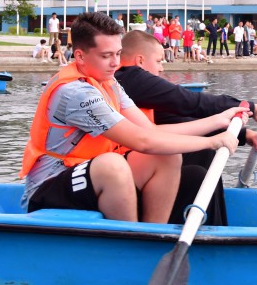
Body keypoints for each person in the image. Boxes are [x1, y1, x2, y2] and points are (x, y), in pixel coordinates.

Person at [18, 12, 243, 224]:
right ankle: (132, 241)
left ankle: (153, 234)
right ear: (80, 56)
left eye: (117, 54)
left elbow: (150, 132)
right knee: (113, 165)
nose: (116, 63)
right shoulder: (76, 93)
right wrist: (212, 141)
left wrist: (218, 121)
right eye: (106, 56)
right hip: (47, 189)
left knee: (166, 156)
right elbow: (141, 141)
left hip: (89, 175)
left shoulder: (110, 82)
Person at [114, 30, 257, 225]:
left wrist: (245, 135)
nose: (162, 68)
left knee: (205, 151)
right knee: (197, 175)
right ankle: (213, 235)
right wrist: (251, 107)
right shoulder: (129, 77)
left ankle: (218, 228)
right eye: (158, 61)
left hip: (134, 161)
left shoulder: (129, 88)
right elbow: (189, 101)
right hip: (122, 169)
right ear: (140, 61)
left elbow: (179, 118)